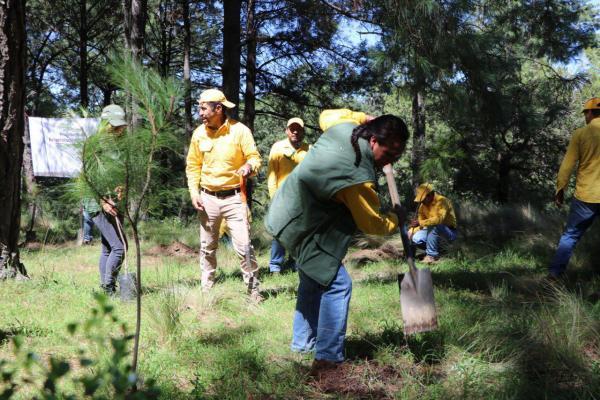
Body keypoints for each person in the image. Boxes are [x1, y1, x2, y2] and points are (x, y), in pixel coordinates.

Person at [265, 108, 408, 374]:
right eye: (388, 155)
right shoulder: (357, 177)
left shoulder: (344, 127)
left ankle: (302, 344)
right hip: (304, 225)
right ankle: (328, 359)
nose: (389, 162)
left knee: (312, 279)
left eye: (396, 157)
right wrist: (396, 218)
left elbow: (324, 116)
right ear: (373, 141)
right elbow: (372, 224)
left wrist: (362, 117)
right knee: (337, 285)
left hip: (287, 210)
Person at [185, 89, 262, 298]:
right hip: (207, 198)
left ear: (218, 109)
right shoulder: (199, 134)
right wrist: (194, 193)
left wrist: (248, 167)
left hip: (235, 198)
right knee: (207, 247)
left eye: (203, 108)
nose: (200, 112)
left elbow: (255, 158)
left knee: (244, 245)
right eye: (199, 108)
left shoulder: (240, 131)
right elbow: (192, 166)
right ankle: (206, 290)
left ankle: (253, 292)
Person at [549, 97, 600, 278]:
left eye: (586, 113)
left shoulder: (580, 133)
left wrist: (560, 189)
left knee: (570, 236)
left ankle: (554, 275)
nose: (585, 117)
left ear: (590, 113)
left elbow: (567, 165)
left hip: (585, 197)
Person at [82, 104, 128, 295]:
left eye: (121, 126)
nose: (119, 129)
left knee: (108, 248)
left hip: (114, 202)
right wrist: (103, 201)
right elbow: (89, 178)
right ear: (105, 124)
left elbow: (117, 172)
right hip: (97, 203)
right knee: (120, 247)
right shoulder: (94, 144)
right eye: (115, 126)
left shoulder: (118, 144)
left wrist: (120, 187)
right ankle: (108, 288)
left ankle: (106, 290)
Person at [267, 117, 310, 274]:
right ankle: (275, 267)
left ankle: (296, 264)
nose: (295, 132)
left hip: (303, 200)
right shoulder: (278, 147)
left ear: (303, 131)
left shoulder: (309, 149)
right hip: (282, 199)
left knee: (300, 233)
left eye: (298, 129)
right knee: (280, 233)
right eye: (292, 129)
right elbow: (272, 175)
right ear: (286, 131)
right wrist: (274, 198)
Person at [408, 183, 457, 263]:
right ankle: (440, 251)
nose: (422, 202)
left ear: (430, 195)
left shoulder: (442, 201)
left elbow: (439, 220)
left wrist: (420, 223)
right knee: (416, 238)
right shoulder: (422, 207)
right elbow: (421, 224)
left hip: (449, 233)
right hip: (432, 233)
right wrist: (411, 231)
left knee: (433, 225)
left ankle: (431, 256)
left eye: (423, 199)